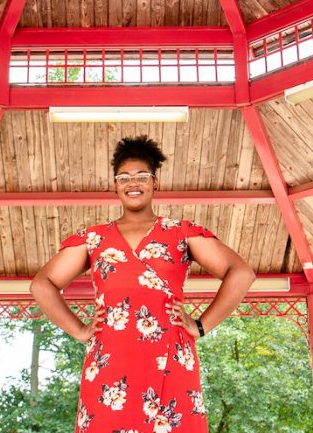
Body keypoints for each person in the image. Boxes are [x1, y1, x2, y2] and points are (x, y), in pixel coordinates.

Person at [30, 135, 256, 433]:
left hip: (171, 356)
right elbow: (42, 285)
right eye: (123, 177)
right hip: (110, 361)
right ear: (115, 185)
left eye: (141, 176)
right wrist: (80, 330)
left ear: (155, 182)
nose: (132, 183)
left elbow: (241, 273)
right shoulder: (93, 239)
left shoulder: (181, 232)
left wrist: (201, 326)